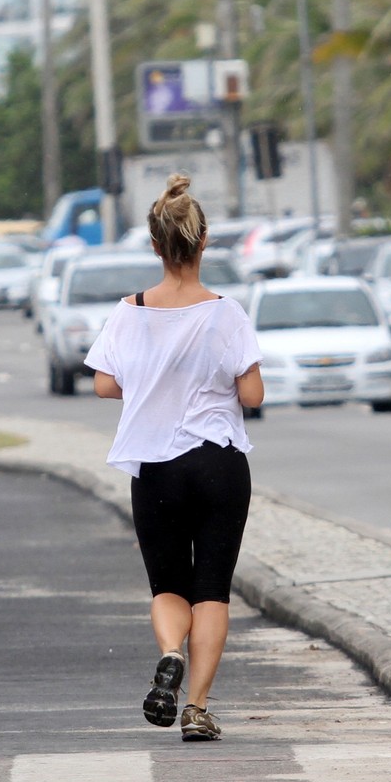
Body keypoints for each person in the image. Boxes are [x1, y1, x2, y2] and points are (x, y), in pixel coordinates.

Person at [84, 174, 264, 742]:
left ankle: (170, 652)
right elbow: (253, 395)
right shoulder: (226, 312)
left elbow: (104, 385)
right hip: (218, 463)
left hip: (155, 467)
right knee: (212, 588)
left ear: (156, 245)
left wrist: (151, 383)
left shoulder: (128, 311)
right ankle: (198, 708)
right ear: (202, 240)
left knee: (167, 586)